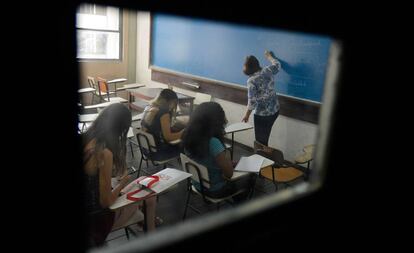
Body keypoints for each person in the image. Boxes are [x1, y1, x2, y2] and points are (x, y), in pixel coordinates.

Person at [82, 103, 157, 247]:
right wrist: (123, 182)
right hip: (97, 221)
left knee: (139, 184)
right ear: (121, 129)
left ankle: (143, 221)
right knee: (150, 196)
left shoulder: (86, 139)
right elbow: (106, 202)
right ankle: (151, 235)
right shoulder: (104, 152)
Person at [182, 102, 253, 201]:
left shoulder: (187, 135)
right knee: (250, 177)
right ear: (216, 122)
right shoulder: (213, 142)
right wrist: (227, 159)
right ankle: (240, 207)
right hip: (215, 190)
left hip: (197, 184)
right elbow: (229, 174)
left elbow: (205, 160)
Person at [242, 50, 281, 146]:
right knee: (264, 140)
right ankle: (265, 156)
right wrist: (269, 57)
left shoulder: (251, 81)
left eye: (244, 65)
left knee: (260, 143)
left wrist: (246, 115)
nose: (243, 67)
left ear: (249, 67)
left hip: (263, 115)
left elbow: (252, 102)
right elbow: (277, 64)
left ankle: (263, 158)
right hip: (275, 110)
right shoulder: (267, 70)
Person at [141, 88, 183, 155]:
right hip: (158, 152)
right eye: (174, 103)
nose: (174, 107)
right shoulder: (163, 113)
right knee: (185, 143)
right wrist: (182, 133)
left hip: (146, 149)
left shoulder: (149, 107)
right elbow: (168, 138)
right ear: (170, 102)